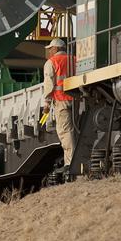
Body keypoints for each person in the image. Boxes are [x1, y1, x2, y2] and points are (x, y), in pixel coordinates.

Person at [42, 38, 77, 171]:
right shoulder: (74, 59)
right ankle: (78, 159)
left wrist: (46, 104)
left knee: (65, 132)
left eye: (50, 49)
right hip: (77, 99)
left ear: (56, 48)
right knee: (76, 129)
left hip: (61, 100)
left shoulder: (51, 62)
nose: (49, 51)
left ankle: (70, 163)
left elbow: (49, 85)